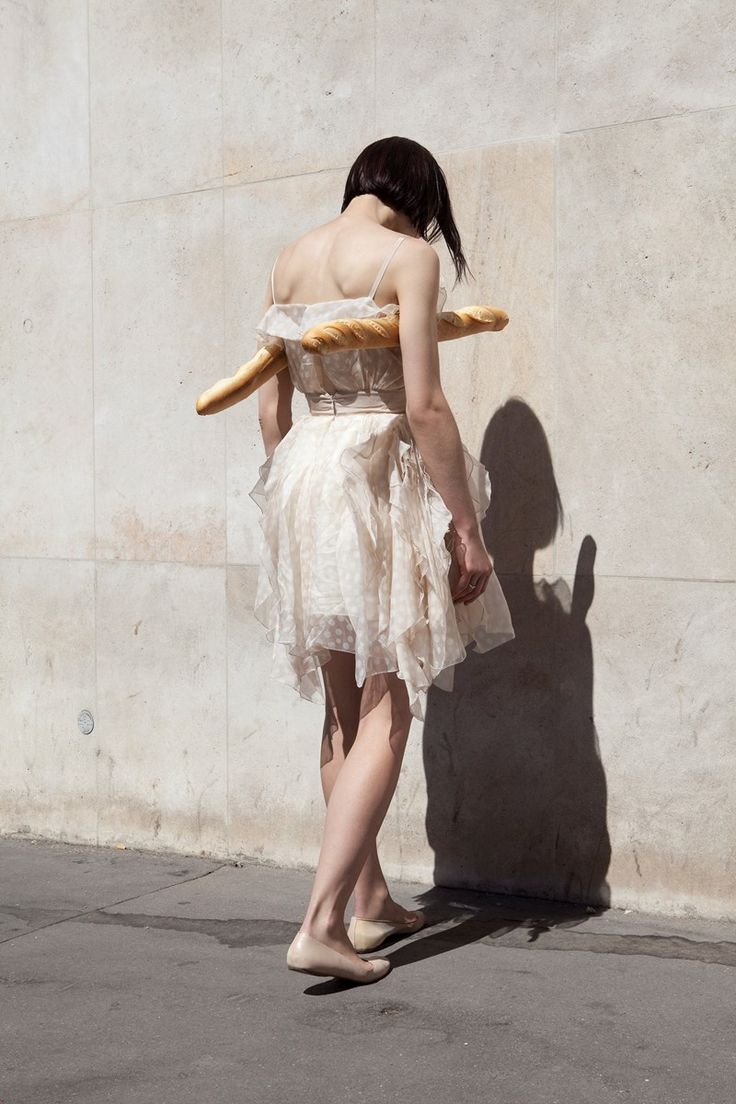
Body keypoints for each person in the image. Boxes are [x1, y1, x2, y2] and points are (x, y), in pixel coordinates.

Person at [249, 136, 515, 984]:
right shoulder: (407, 258)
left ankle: (368, 904)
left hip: (301, 475)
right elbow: (427, 406)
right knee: (387, 711)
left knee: (339, 706)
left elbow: (269, 409)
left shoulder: (289, 261)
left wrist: (302, 486)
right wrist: (467, 527)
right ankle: (321, 921)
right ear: (420, 197)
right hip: (369, 472)